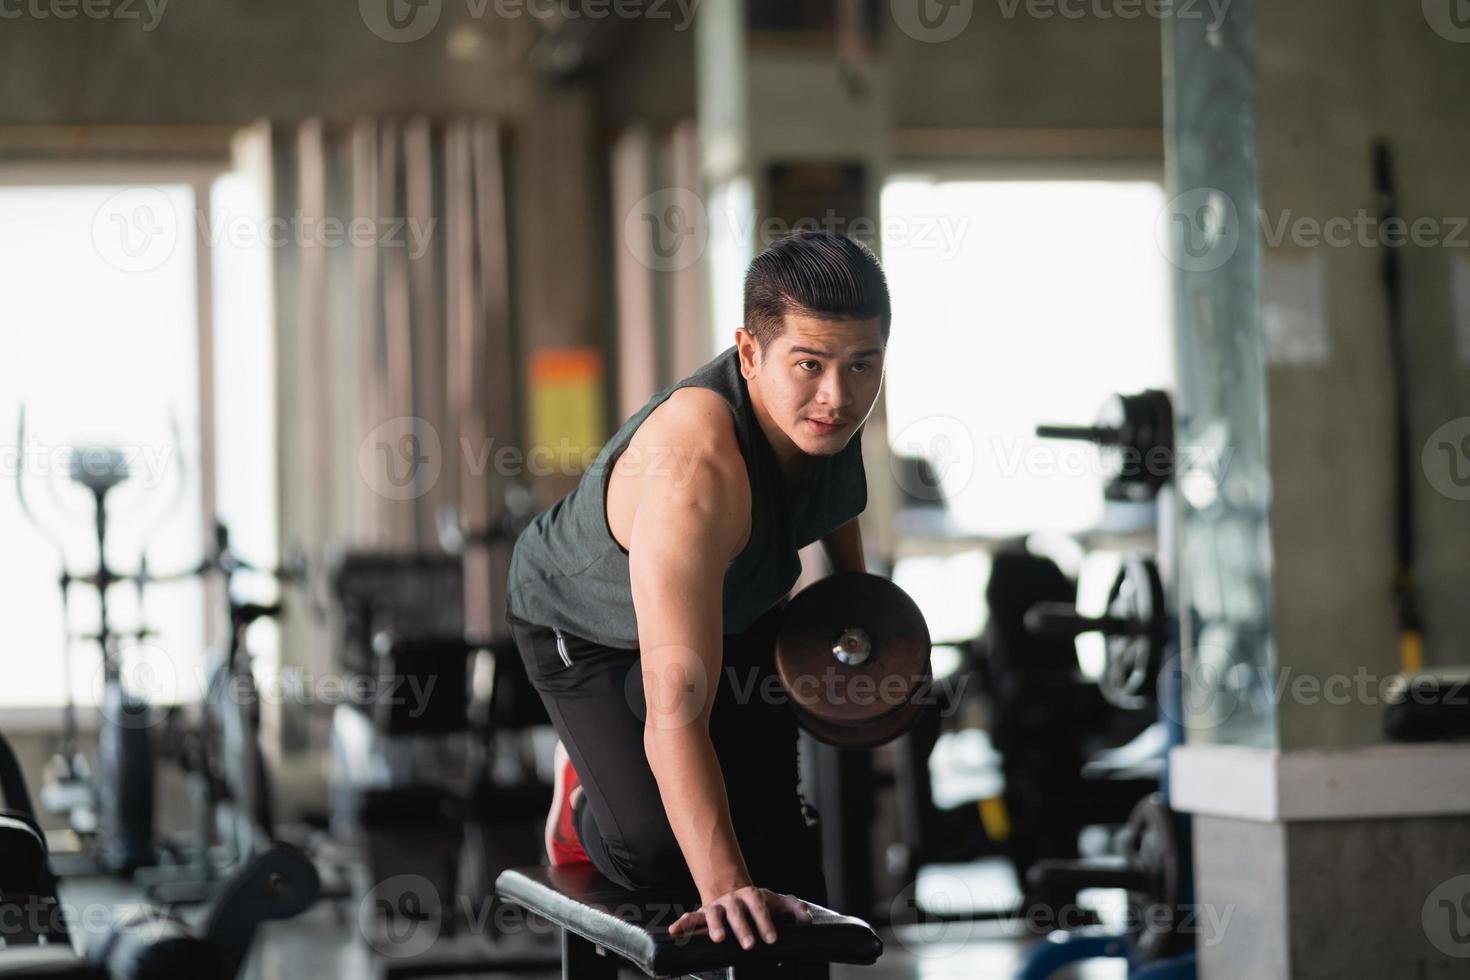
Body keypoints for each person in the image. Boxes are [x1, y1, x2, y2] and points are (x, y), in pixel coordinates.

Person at [505, 229, 888, 955]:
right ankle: (584, 803)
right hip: (586, 623)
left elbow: (836, 506)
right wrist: (723, 888)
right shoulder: (696, 474)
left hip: (734, 598)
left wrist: (860, 614)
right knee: (666, 855)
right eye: (809, 364)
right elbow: (674, 708)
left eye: (862, 365)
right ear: (750, 353)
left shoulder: (836, 400)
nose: (837, 395)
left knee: (779, 846)